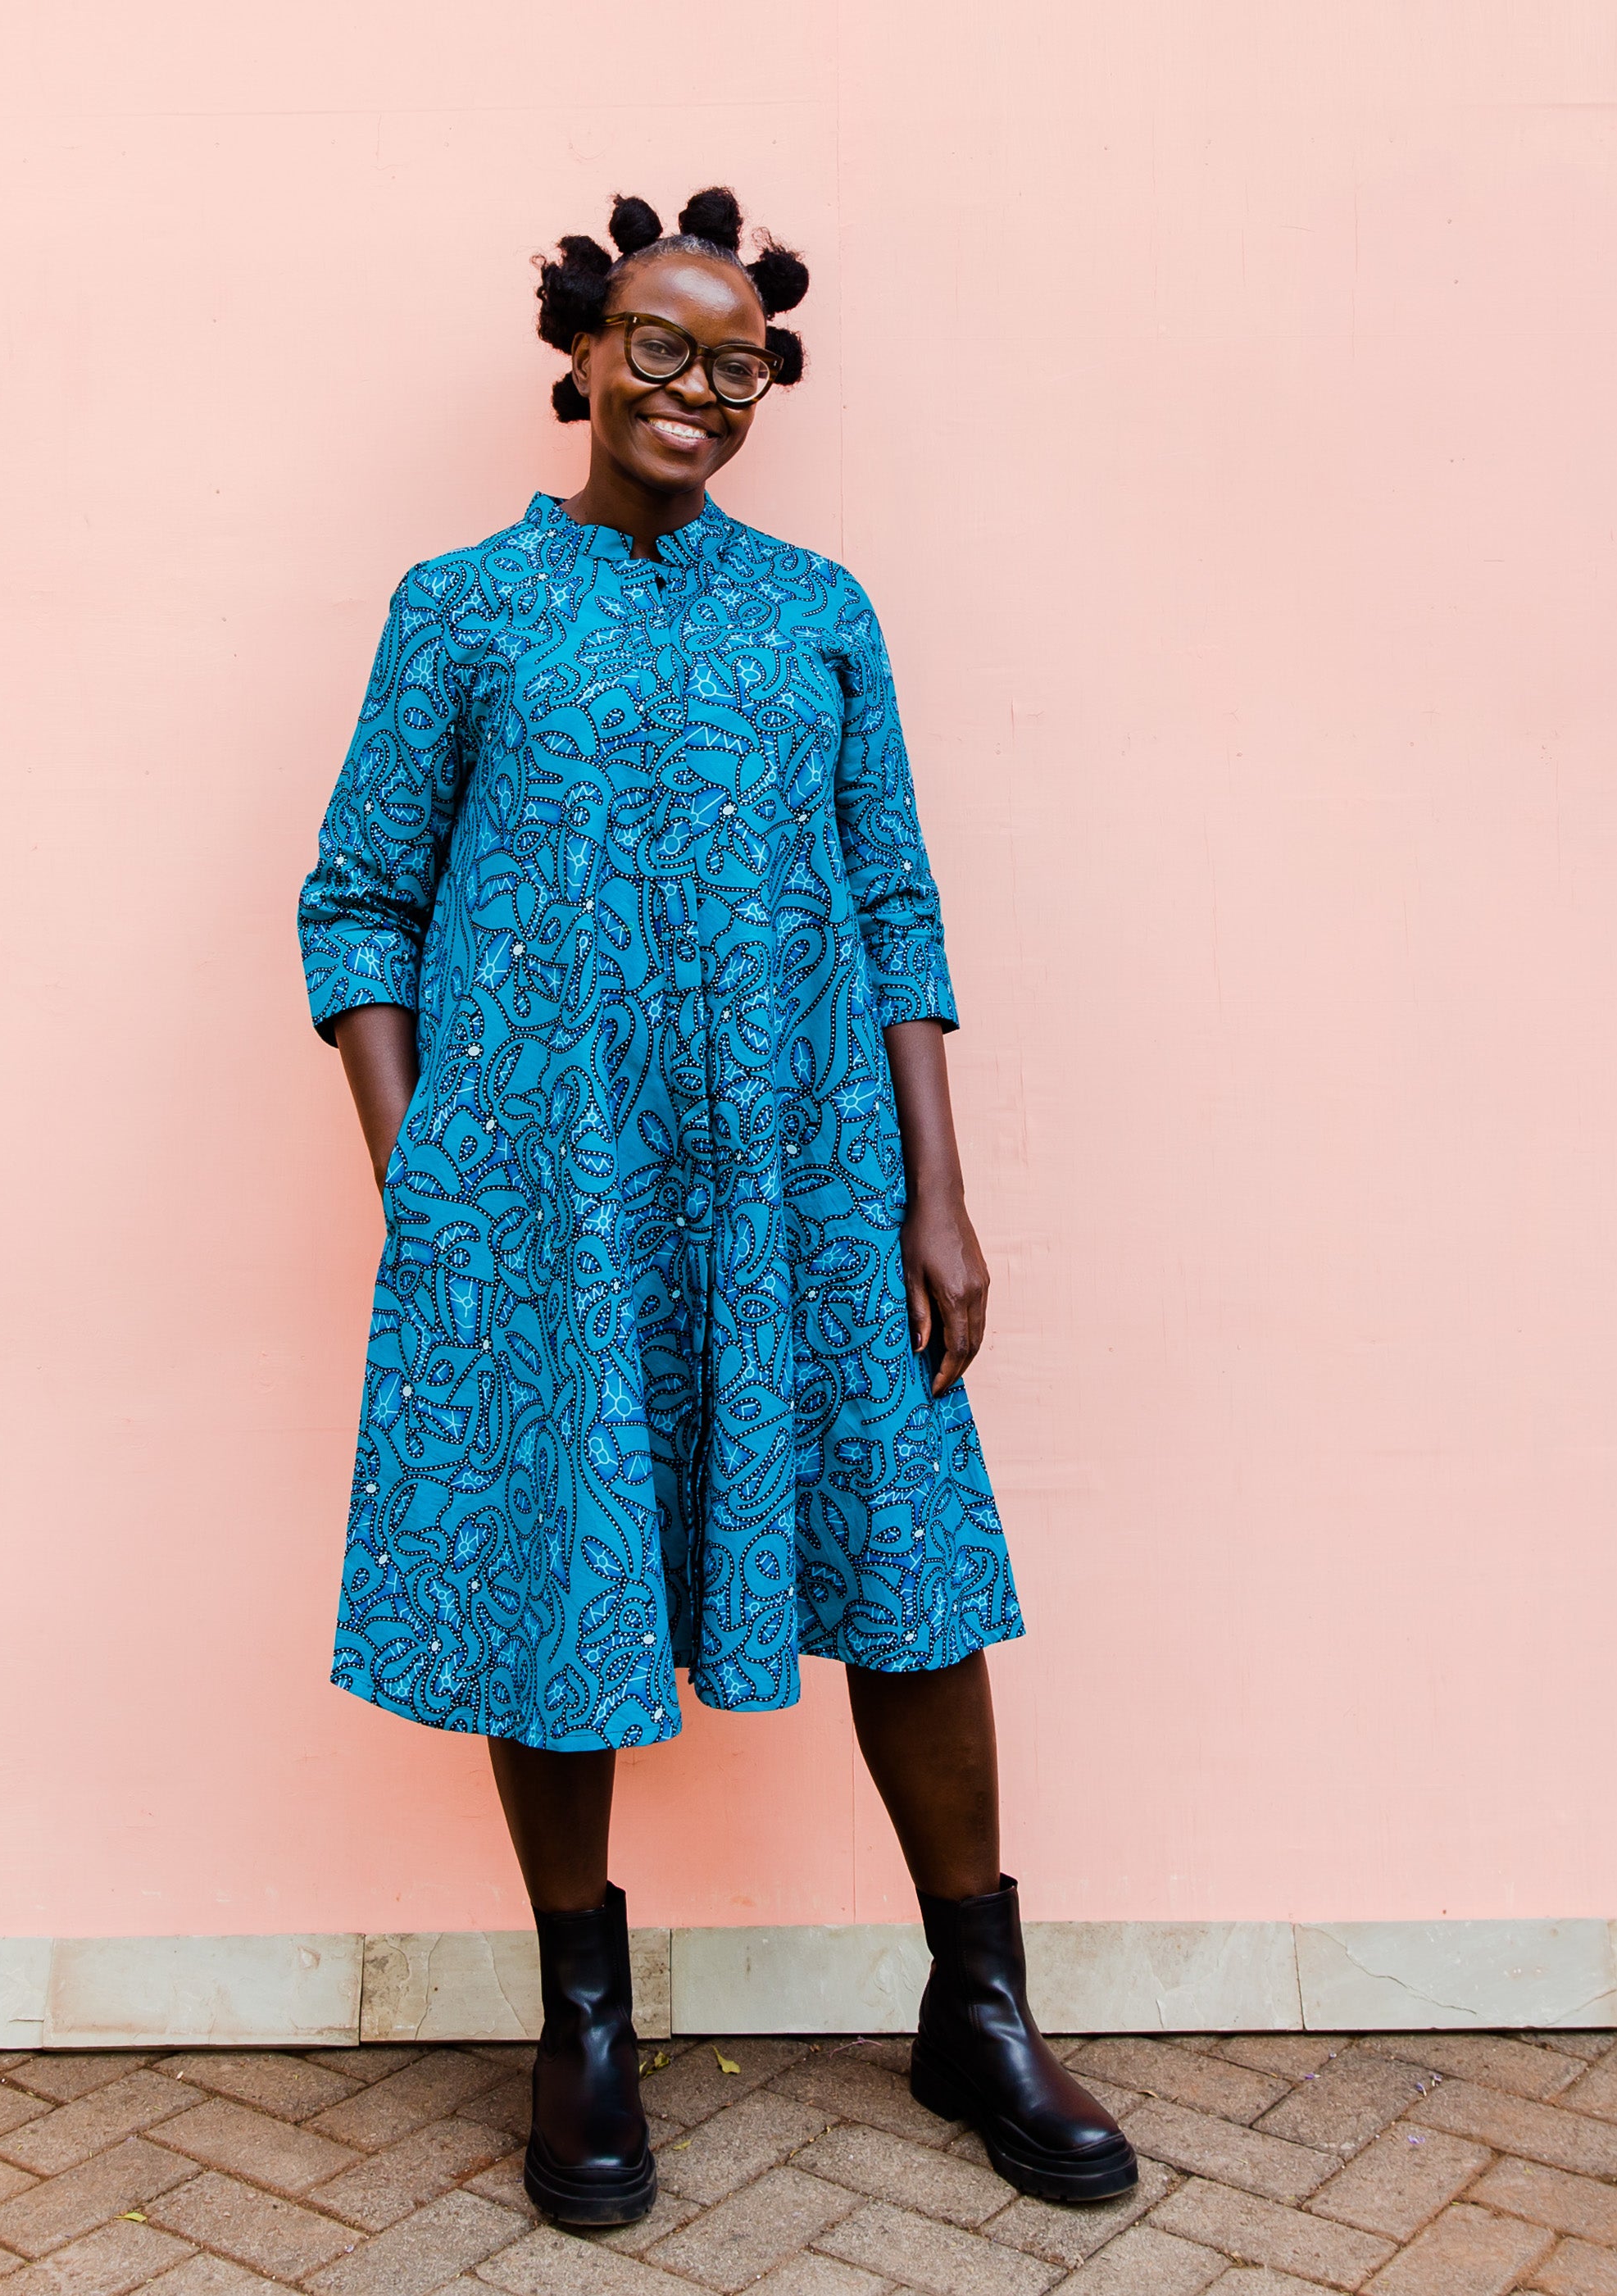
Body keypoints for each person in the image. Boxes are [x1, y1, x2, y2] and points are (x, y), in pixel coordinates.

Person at [298, 185, 1136, 2227]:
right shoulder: (462, 606)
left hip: (814, 1180)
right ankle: (583, 2027)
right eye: (661, 349)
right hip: (552, 1202)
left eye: (738, 361)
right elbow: (359, 900)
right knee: (544, 1577)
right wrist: (428, 1180)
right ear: (580, 354)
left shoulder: (819, 607)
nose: (698, 388)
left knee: (907, 1562)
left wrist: (938, 1192)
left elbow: (892, 902)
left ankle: (977, 2003)